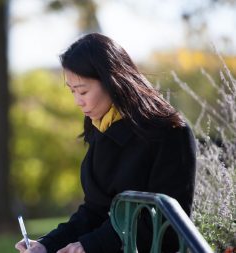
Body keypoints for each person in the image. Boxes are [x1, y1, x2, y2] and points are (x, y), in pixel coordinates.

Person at [14, 33, 197, 253]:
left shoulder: (170, 132)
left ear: (113, 82)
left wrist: (90, 245)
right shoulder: (99, 127)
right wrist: (46, 245)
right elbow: (94, 211)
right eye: (72, 91)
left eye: (83, 91)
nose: (77, 101)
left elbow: (164, 223)